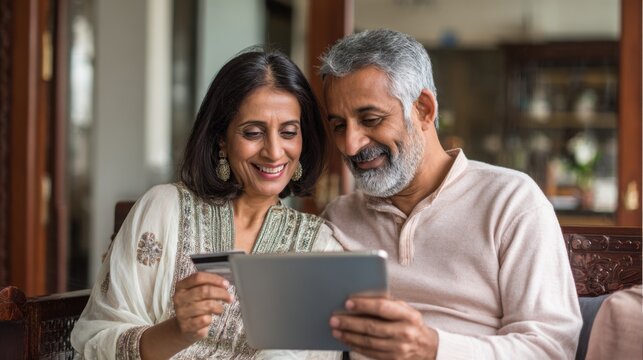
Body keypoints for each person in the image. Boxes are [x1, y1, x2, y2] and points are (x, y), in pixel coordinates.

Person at [319, 29, 582, 359]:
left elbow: (552, 349)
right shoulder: (338, 219)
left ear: (424, 110)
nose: (350, 144)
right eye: (339, 126)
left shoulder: (512, 202)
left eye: (370, 119)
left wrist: (433, 348)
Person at [71, 49, 342, 359]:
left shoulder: (320, 248)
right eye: (253, 132)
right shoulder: (164, 210)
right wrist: (177, 331)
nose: (274, 151)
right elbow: (96, 342)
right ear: (221, 139)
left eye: (289, 132)